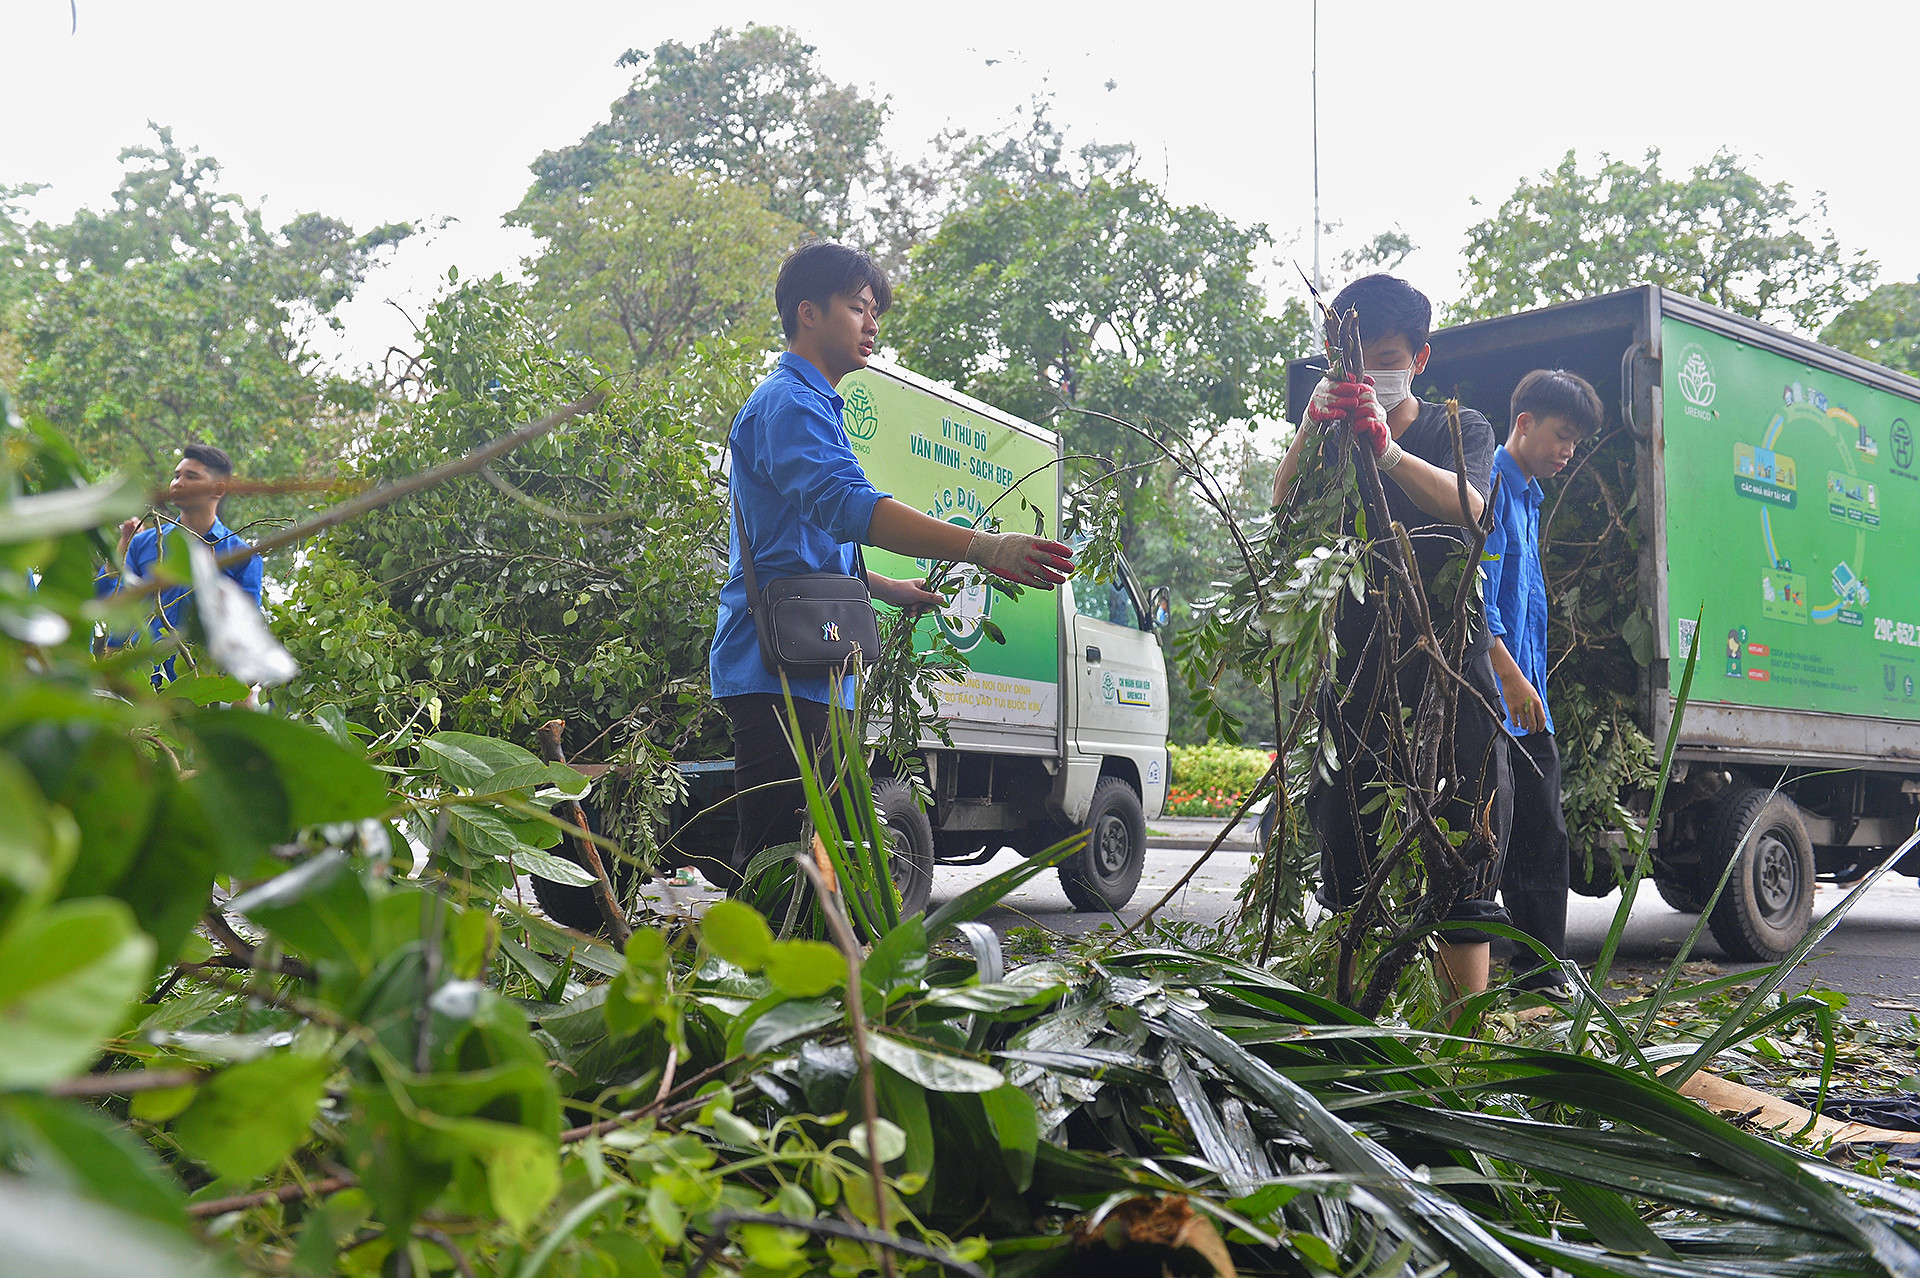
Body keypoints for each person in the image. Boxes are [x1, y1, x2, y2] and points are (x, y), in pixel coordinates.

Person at [707, 241, 1074, 888]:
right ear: (808, 313)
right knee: (776, 867)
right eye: (858, 307)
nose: (872, 324)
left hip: (810, 669)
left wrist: (884, 588)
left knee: (809, 864)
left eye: (876, 311)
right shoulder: (788, 406)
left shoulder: (813, 406)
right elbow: (851, 507)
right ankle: (761, 986)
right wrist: (984, 547)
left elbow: (793, 551)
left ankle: (812, 982)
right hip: (777, 676)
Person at [1272, 273, 1508, 1000]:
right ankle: (1359, 1035)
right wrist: (1315, 426)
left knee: (1461, 858)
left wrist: (1391, 455)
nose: (1372, 371)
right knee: (1349, 858)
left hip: (1445, 675)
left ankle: (1463, 1055)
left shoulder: (1454, 428)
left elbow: (1477, 511)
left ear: (1420, 359)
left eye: (1388, 355)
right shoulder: (1324, 432)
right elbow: (1281, 513)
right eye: (1353, 355)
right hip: (1353, 680)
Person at [1480, 369, 1603, 994]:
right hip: (1493, 699)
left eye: (1576, 442)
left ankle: (1539, 973)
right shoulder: (1493, 486)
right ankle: (1518, 974)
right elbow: (1476, 597)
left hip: (1529, 704)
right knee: (1496, 838)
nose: (1568, 452)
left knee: (1543, 834)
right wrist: (1509, 676)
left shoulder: (1529, 495)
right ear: (1523, 423)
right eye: (1562, 435)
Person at [96, 442, 263, 683]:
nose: (178, 483)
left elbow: (246, 629)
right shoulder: (143, 543)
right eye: (176, 476)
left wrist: (241, 693)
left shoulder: (241, 555)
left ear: (217, 489)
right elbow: (114, 602)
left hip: (200, 686)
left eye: (191, 476)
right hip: (138, 681)